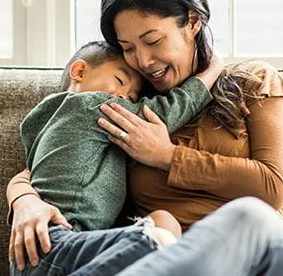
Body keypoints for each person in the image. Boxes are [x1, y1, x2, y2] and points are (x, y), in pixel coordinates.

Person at [7, 0, 283, 275]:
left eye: (153, 40)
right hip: (168, 266)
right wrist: (25, 202)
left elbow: (273, 185)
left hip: (261, 260)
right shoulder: (132, 109)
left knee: (249, 216)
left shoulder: (251, 80)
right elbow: (51, 158)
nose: (142, 60)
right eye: (128, 48)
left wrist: (165, 156)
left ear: (193, 21)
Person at [12, 40, 223, 274]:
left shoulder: (42, 122)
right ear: (79, 71)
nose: (123, 98)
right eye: (120, 82)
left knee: (161, 224)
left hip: (40, 252)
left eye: (133, 98)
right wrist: (212, 69)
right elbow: (164, 112)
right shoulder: (91, 105)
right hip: (57, 241)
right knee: (159, 233)